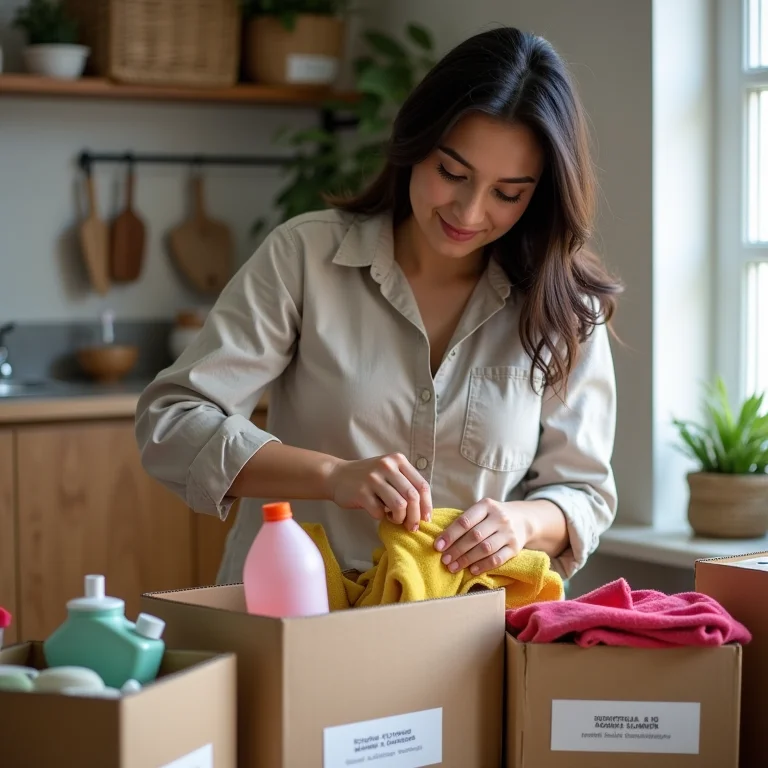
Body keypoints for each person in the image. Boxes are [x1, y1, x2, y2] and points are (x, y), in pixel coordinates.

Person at [135, 26, 622, 586]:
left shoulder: (565, 305)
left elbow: (584, 492)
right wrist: (330, 476)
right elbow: (170, 422)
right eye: (452, 173)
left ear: (539, 194)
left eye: (507, 193)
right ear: (414, 144)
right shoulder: (306, 256)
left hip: (465, 635)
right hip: (295, 616)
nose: (468, 211)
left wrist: (520, 522)